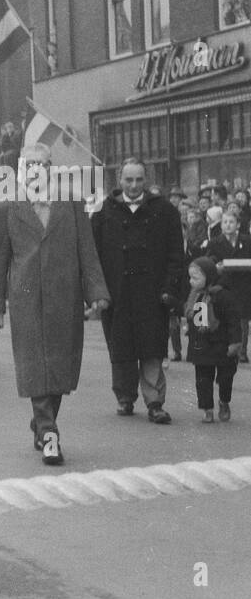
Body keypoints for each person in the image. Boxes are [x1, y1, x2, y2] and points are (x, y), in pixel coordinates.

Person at [0, 145, 110, 464]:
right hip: (26, 301)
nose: (37, 170)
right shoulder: (6, 208)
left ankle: (41, 420)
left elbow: (88, 252)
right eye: (31, 165)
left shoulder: (72, 205)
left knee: (60, 368)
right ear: (22, 170)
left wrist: (97, 292)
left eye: (43, 164)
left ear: (51, 168)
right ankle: (50, 433)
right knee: (35, 366)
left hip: (64, 299)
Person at [92, 158, 186, 423]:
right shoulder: (103, 213)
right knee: (121, 347)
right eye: (128, 180)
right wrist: (98, 291)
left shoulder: (165, 211)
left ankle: (155, 401)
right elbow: (93, 256)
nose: (133, 185)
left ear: (146, 181)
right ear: (119, 180)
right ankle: (124, 396)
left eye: (139, 180)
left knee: (152, 347)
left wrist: (170, 288)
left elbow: (176, 255)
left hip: (151, 293)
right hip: (117, 292)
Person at [183, 256, 240, 422]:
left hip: (222, 345)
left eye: (195, 278)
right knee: (203, 379)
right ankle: (207, 409)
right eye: (190, 277)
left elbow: (233, 320)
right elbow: (193, 318)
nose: (191, 281)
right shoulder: (195, 296)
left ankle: (224, 400)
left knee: (225, 377)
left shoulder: (222, 295)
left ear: (208, 276)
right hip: (202, 345)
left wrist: (235, 342)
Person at [209, 207, 251, 363]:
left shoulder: (247, 241)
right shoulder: (215, 242)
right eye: (225, 222)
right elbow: (210, 261)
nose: (228, 225)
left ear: (238, 224)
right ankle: (225, 349)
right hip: (224, 285)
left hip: (244, 286)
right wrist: (216, 265)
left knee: (243, 320)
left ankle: (242, 351)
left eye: (231, 222)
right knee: (225, 318)